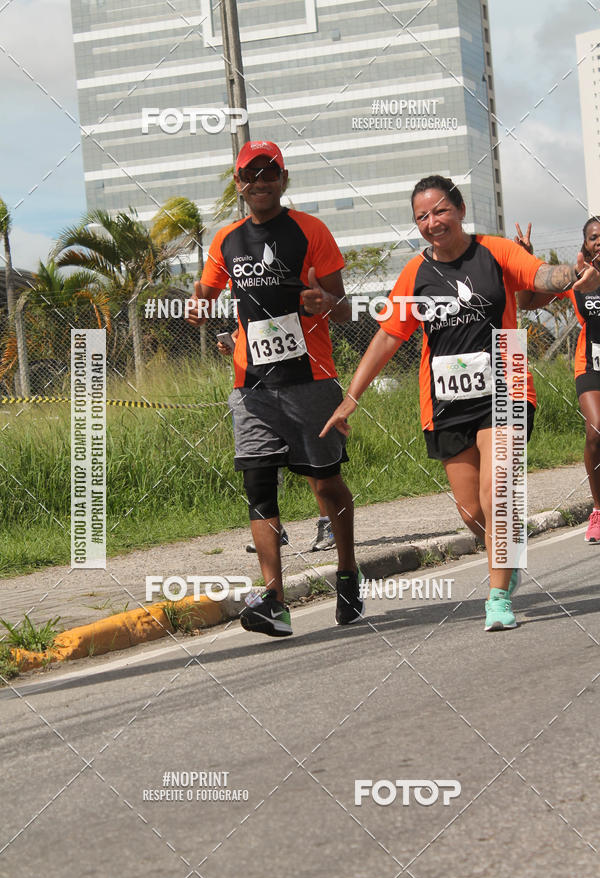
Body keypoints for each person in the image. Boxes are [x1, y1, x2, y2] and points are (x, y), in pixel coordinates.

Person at [321, 175, 600, 631]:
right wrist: (352, 397)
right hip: (446, 398)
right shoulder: (416, 273)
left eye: (440, 211)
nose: (432, 222)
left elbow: (538, 277)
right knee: (471, 511)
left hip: (506, 380)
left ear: (461, 209)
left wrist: (575, 272)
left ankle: (497, 597)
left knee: (498, 493)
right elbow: (388, 337)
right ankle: (505, 555)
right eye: (422, 217)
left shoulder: (495, 252)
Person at [189, 140, 361, 637]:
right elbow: (207, 292)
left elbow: (345, 309)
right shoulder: (226, 240)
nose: (259, 183)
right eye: (250, 175)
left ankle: (347, 573)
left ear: (283, 179)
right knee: (258, 485)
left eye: (270, 174)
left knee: (325, 482)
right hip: (251, 386)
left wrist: (322, 300)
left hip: (311, 378)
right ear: (238, 182)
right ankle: (274, 601)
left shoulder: (312, 230)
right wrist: (199, 305)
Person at [216, 330, 336, 553]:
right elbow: (244, 330)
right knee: (261, 467)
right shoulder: (244, 303)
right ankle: (274, 529)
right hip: (253, 390)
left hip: (298, 384)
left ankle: (328, 522)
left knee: (311, 462)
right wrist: (233, 343)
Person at [518, 216, 600, 543]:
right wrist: (526, 258)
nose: (599, 241)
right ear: (586, 244)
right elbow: (526, 302)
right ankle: (598, 510)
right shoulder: (575, 278)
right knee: (595, 432)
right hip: (590, 364)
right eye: (594, 237)